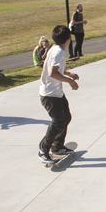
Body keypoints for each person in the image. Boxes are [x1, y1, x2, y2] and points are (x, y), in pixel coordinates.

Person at [38, 25, 79, 164]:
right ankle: (43, 149)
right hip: (49, 95)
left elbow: (56, 69)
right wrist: (70, 81)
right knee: (58, 121)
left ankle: (57, 147)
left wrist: (68, 73)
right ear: (68, 39)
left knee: (66, 117)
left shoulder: (55, 49)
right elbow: (52, 73)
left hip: (56, 93)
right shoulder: (58, 53)